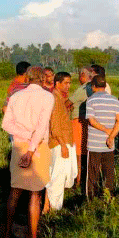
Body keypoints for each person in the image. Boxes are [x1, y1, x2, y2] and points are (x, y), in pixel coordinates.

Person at [2, 67, 55, 238]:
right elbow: (41, 127)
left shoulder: (16, 96)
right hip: (38, 147)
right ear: (42, 79)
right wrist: (31, 149)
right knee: (35, 195)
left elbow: (5, 124)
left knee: (14, 191)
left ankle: (7, 235)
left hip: (19, 145)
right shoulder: (47, 97)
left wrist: (25, 135)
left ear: (27, 78)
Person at [85, 74, 119, 198]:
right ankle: (108, 195)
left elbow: (91, 121)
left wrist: (106, 130)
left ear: (93, 87)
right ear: (105, 86)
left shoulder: (90, 100)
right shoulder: (114, 100)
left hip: (94, 144)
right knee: (109, 172)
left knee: (92, 172)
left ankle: (91, 197)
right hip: (109, 144)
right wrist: (111, 136)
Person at [46, 72, 77, 210]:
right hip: (59, 143)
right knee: (57, 179)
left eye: (70, 83)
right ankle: (54, 210)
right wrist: (63, 145)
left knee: (56, 177)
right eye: (66, 83)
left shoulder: (59, 99)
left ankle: (48, 207)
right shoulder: (55, 99)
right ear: (57, 84)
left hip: (61, 142)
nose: (68, 86)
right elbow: (55, 125)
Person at [68, 66, 94, 187]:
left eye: (80, 75)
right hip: (87, 122)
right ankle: (83, 177)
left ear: (83, 75)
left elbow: (68, 102)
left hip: (78, 121)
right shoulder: (92, 87)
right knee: (84, 150)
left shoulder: (82, 88)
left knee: (78, 151)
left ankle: (78, 180)